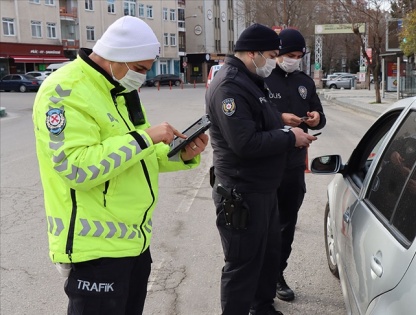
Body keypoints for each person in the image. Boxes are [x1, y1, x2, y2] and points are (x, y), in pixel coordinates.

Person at [32, 16, 208, 314]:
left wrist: (181, 154)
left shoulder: (118, 90)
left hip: (133, 244)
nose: (141, 77)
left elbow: (135, 157)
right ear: (115, 57)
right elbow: (76, 168)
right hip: (94, 252)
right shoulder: (62, 92)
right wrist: (144, 138)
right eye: (139, 69)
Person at [205, 23, 317, 315]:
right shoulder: (229, 85)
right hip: (242, 191)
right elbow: (245, 143)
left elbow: (259, 118)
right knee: (243, 263)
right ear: (252, 53)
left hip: (263, 188)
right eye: (270, 54)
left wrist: (281, 119)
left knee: (267, 255)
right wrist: (289, 137)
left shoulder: (250, 78)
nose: (272, 61)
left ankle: (262, 307)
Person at [264, 28, 326, 302]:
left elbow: (320, 115)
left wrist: (315, 118)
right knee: (263, 226)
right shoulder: (262, 78)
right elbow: (253, 119)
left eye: (299, 56)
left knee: (286, 226)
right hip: (266, 165)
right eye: (290, 55)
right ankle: (260, 280)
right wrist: (280, 118)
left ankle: (277, 274)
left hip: (293, 166)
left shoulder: (304, 81)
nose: (294, 60)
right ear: (277, 53)